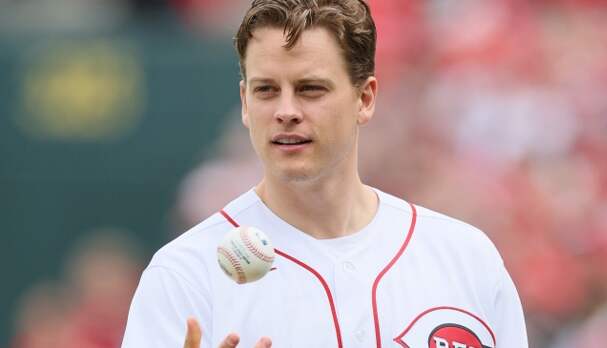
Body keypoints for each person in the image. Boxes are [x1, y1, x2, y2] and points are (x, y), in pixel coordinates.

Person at [121, 0, 528, 347]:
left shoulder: (464, 257)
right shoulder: (185, 274)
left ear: (364, 98)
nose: (286, 110)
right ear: (245, 103)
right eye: (265, 90)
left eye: (310, 88)